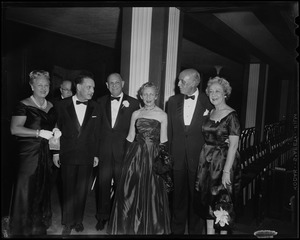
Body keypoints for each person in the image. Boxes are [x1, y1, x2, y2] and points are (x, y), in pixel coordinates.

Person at [107, 82, 171, 234]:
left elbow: (163, 141)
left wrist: (162, 164)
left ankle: (150, 228)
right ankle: (129, 227)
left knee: (152, 191)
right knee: (130, 191)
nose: (148, 97)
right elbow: (130, 137)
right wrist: (124, 160)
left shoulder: (162, 115)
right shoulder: (135, 114)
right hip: (135, 155)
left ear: (156, 96)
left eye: (151, 94)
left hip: (153, 156)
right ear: (141, 96)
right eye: (145, 94)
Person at [9, 70, 58, 236]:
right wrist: (38, 133)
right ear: (32, 86)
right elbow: (15, 129)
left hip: (45, 152)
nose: (43, 88)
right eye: (39, 85)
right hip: (28, 154)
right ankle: (21, 229)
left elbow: (53, 125)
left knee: (42, 188)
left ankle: (37, 227)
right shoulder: (23, 104)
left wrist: (56, 131)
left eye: (46, 85)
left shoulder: (51, 105)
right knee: (26, 190)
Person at [52, 74, 101, 236]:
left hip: (87, 156)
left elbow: (96, 134)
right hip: (67, 154)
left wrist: (95, 154)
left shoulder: (96, 106)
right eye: (89, 87)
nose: (92, 90)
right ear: (78, 87)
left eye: (93, 87)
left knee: (82, 190)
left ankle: (78, 220)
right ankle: (67, 222)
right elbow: (55, 130)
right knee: (67, 190)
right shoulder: (61, 105)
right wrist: (56, 153)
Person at [167, 68, 213, 234]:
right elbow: (169, 132)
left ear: (195, 83)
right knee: (177, 199)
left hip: (199, 159)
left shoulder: (208, 102)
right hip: (177, 158)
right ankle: (176, 231)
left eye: (183, 81)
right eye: (178, 80)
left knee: (197, 200)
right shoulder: (172, 102)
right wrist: (168, 156)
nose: (178, 84)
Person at [195, 76, 241, 235]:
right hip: (207, 162)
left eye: (218, 91)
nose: (214, 94)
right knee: (207, 201)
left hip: (223, 163)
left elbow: (234, 145)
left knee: (222, 202)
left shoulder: (231, 115)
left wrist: (227, 171)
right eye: (211, 91)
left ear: (225, 93)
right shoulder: (211, 112)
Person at [95, 73, 140, 231]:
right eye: (111, 83)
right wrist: (95, 153)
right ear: (107, 85)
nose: (114, 86)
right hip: (104, 151)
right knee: (103, 185)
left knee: (123, 186)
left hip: (123, 152)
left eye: (117, 83)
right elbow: (96, 129)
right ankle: (102, 217)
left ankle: (121, 217)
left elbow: (137, 130)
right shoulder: (99, 102)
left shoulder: (134, 103)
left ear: (123, 83)